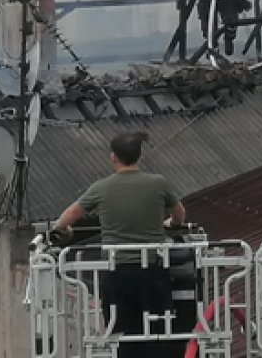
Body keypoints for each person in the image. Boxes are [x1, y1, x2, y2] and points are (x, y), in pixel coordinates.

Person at [54, 132, 186, 357]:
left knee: (123, 334)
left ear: (113, 157)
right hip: (153, 271)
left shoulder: (100, 188)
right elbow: (180, 215)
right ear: (139, 156)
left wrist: (66, 233)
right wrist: (171, 224)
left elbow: (62, 222)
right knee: (158, 332)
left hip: (118, 273)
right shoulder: (158, 183)